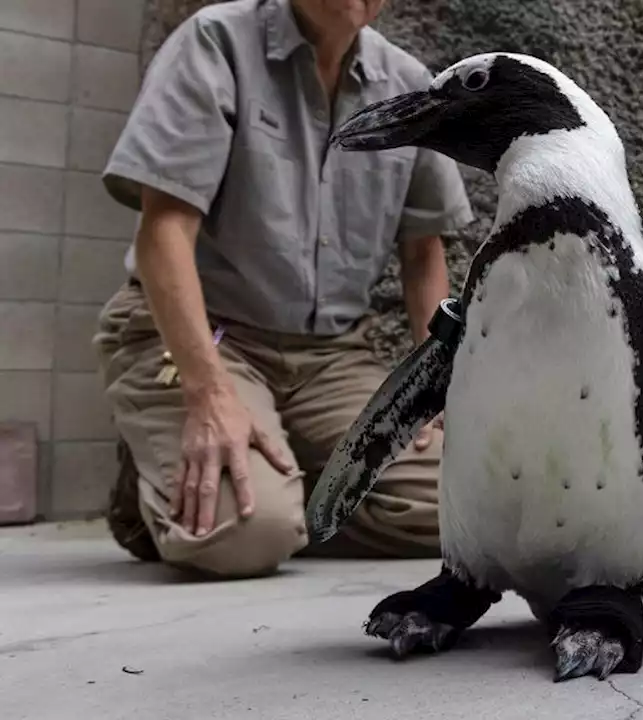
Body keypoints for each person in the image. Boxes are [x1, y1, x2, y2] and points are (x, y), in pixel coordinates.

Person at [93, 0, 475, 578]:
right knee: (244, 533)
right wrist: (207, 391)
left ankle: (288, 482)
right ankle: (176, 483)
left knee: (464, 507)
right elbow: (163, 229)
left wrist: (432, 385)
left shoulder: (409, 86)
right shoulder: (217, 42)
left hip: (332, 360)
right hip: (212, 337)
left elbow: (423, 252)